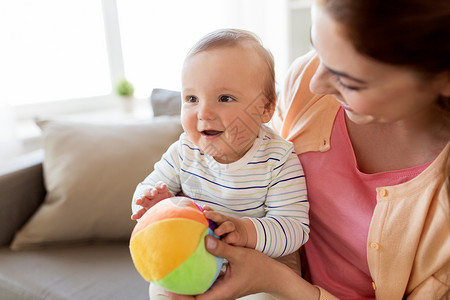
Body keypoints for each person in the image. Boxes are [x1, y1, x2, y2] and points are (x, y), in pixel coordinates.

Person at [167, 0, 450, 299]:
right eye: (319, 50)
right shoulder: (304, 81)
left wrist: (275, 281)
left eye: (348, 79)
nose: (315, 83)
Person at [131, 29, 310, 299]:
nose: (203, 112)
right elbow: (146, 189)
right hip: (192, 258)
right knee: (160, 290)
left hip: (260, 266)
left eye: (224, 98)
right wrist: (152, 204)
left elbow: (294, 229)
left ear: (266, 108)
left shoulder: (278, 159)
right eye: (192, 99)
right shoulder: (184, 151)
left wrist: (244, 230)